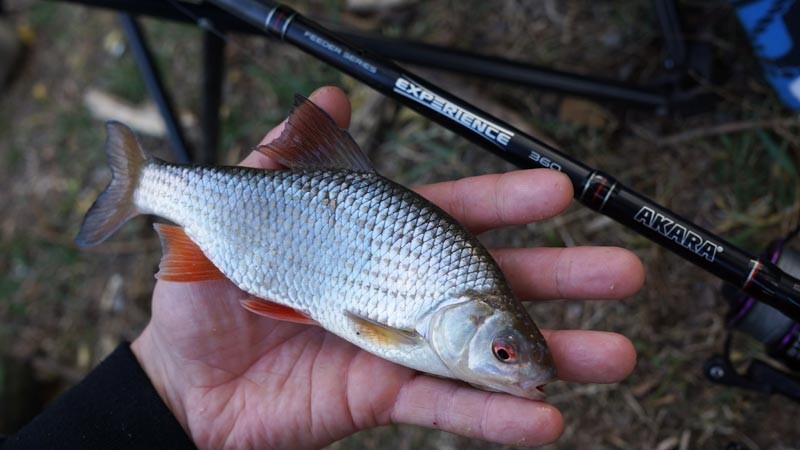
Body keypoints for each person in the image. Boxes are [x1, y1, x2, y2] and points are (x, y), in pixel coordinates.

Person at [1, 86, 643, 449]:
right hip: (278, 225)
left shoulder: (457, 299)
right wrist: (166, 392)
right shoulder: (414, 332)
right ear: (473, 322)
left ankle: (144, 183)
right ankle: (143, 184)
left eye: (506, 356)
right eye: (504, 353)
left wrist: (162, 398)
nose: (511, 364)